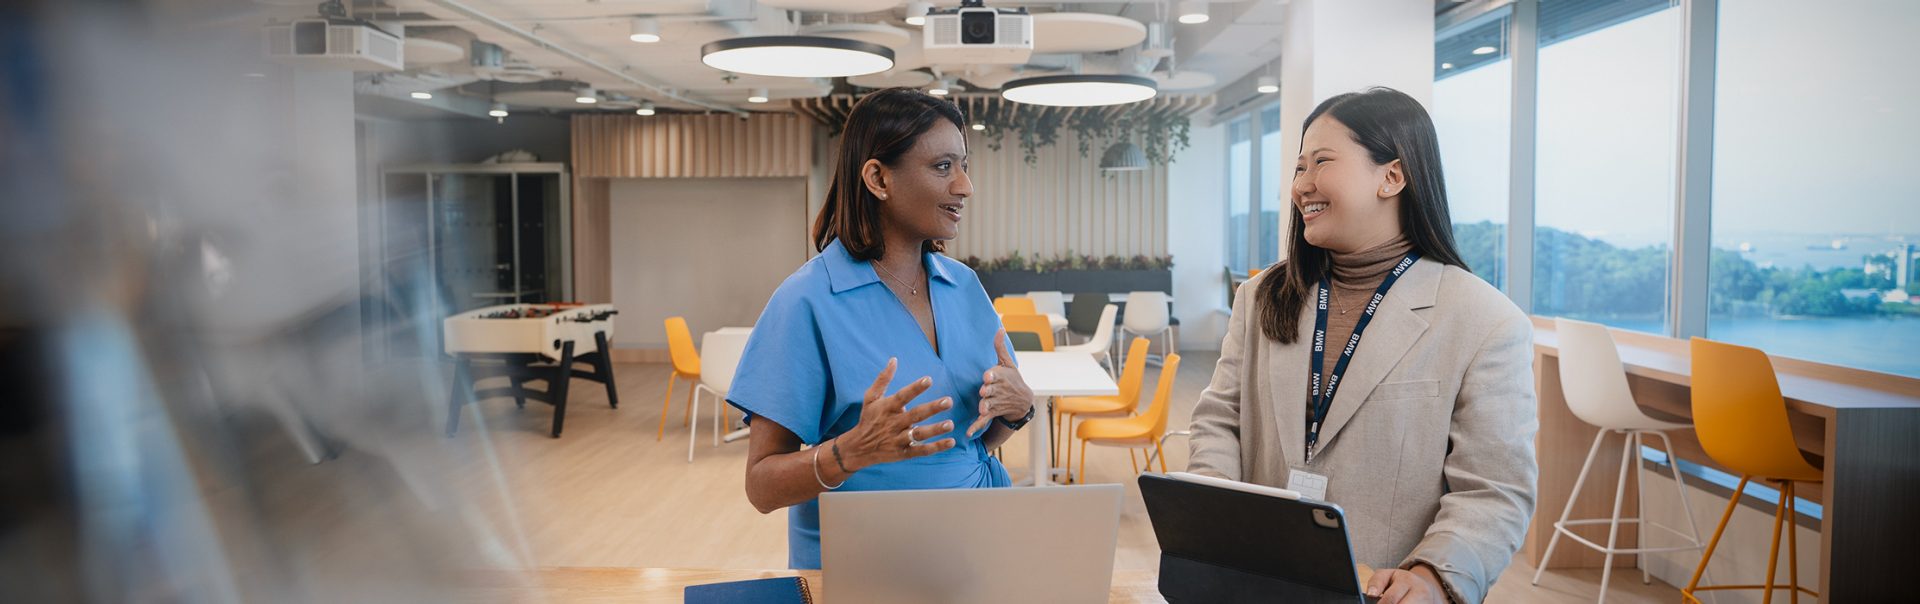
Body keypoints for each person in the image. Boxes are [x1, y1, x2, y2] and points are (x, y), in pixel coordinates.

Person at [1186, 87, 1537, 604]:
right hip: (1256, 580)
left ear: (1391, 176)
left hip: (1379, 591)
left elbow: (1494, 489)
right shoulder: (1262, 296)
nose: (1302, 185)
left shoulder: (1485, 321)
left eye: (1321, 163)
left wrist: (1434, 576)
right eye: (1298, 169)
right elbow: (1220, 418)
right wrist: (1217, 513)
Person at [729, 88, 1037, 569]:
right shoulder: (806, 300)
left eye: (964, 165)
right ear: (878, 178)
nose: (964, 187)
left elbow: (970, 440)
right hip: (866, 561)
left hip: (980, 542)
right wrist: (850, 451)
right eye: (942, 167)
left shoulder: (965, 286)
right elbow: (762, 487)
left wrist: (1016, 411)